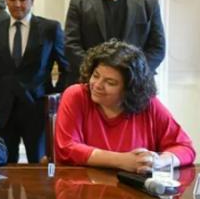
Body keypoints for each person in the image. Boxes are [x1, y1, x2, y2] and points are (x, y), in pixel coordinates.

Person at [55, 40, 195, 172]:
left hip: (135, 188)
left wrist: (158, 162)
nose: (97, 85)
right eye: (96, 75)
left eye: (110, 82)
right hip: (83, 185)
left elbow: (184, 148)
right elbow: (67, 148)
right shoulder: (76, 95)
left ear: (129, 89)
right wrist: (122, 161)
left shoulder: (148, 104)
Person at [0, 0, 68, 163]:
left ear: (32, 0)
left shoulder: (50, 29)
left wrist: (54, 97)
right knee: (3, 166)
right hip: (2, 110)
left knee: (40, 166)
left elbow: (66, 68)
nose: (17, 4)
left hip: (37, 108)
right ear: (6, 0)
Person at [65, 0, 165, 84]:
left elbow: (157, 48)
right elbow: (71, 46)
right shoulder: (79, 3)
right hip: (92, 83)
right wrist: (100, 74)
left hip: (135, 84)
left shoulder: (149, 2)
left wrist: (132, 74)